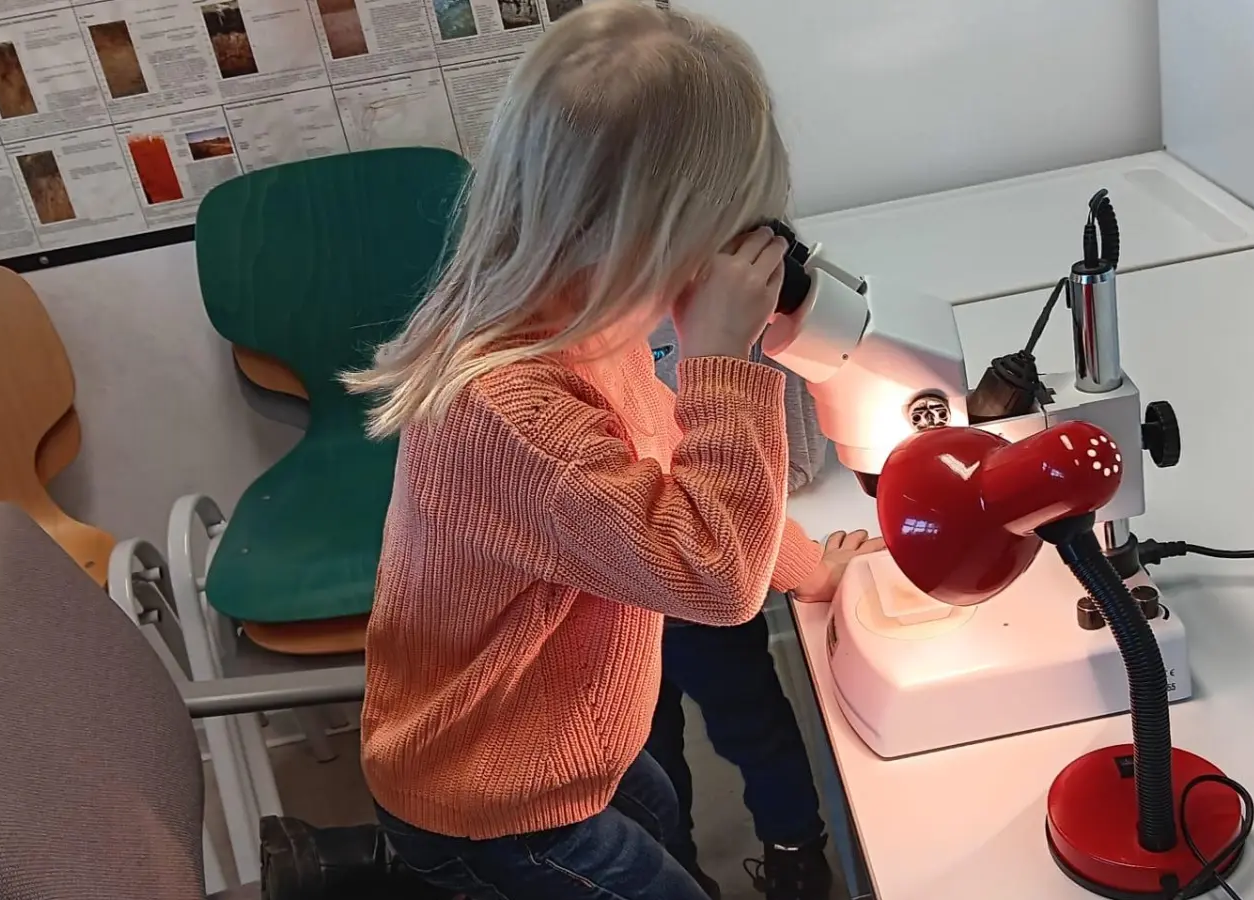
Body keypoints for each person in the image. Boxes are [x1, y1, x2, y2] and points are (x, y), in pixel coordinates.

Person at [340, 4, 881, 899]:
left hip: (566, 743)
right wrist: (721, 361)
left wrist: (810, 569)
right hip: (494, 805)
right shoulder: (512, 411)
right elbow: (710, 579)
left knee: (661, 824)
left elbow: (668, 470)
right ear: (660, 235)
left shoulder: (584, 324)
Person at [645, 320, 838, 900]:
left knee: (653, 755)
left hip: (626, 603)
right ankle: (796, 857)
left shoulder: (589, 340)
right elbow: (728, 508)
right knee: (755, 730)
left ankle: (681, 870)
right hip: (694, 597)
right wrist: (810, 569)